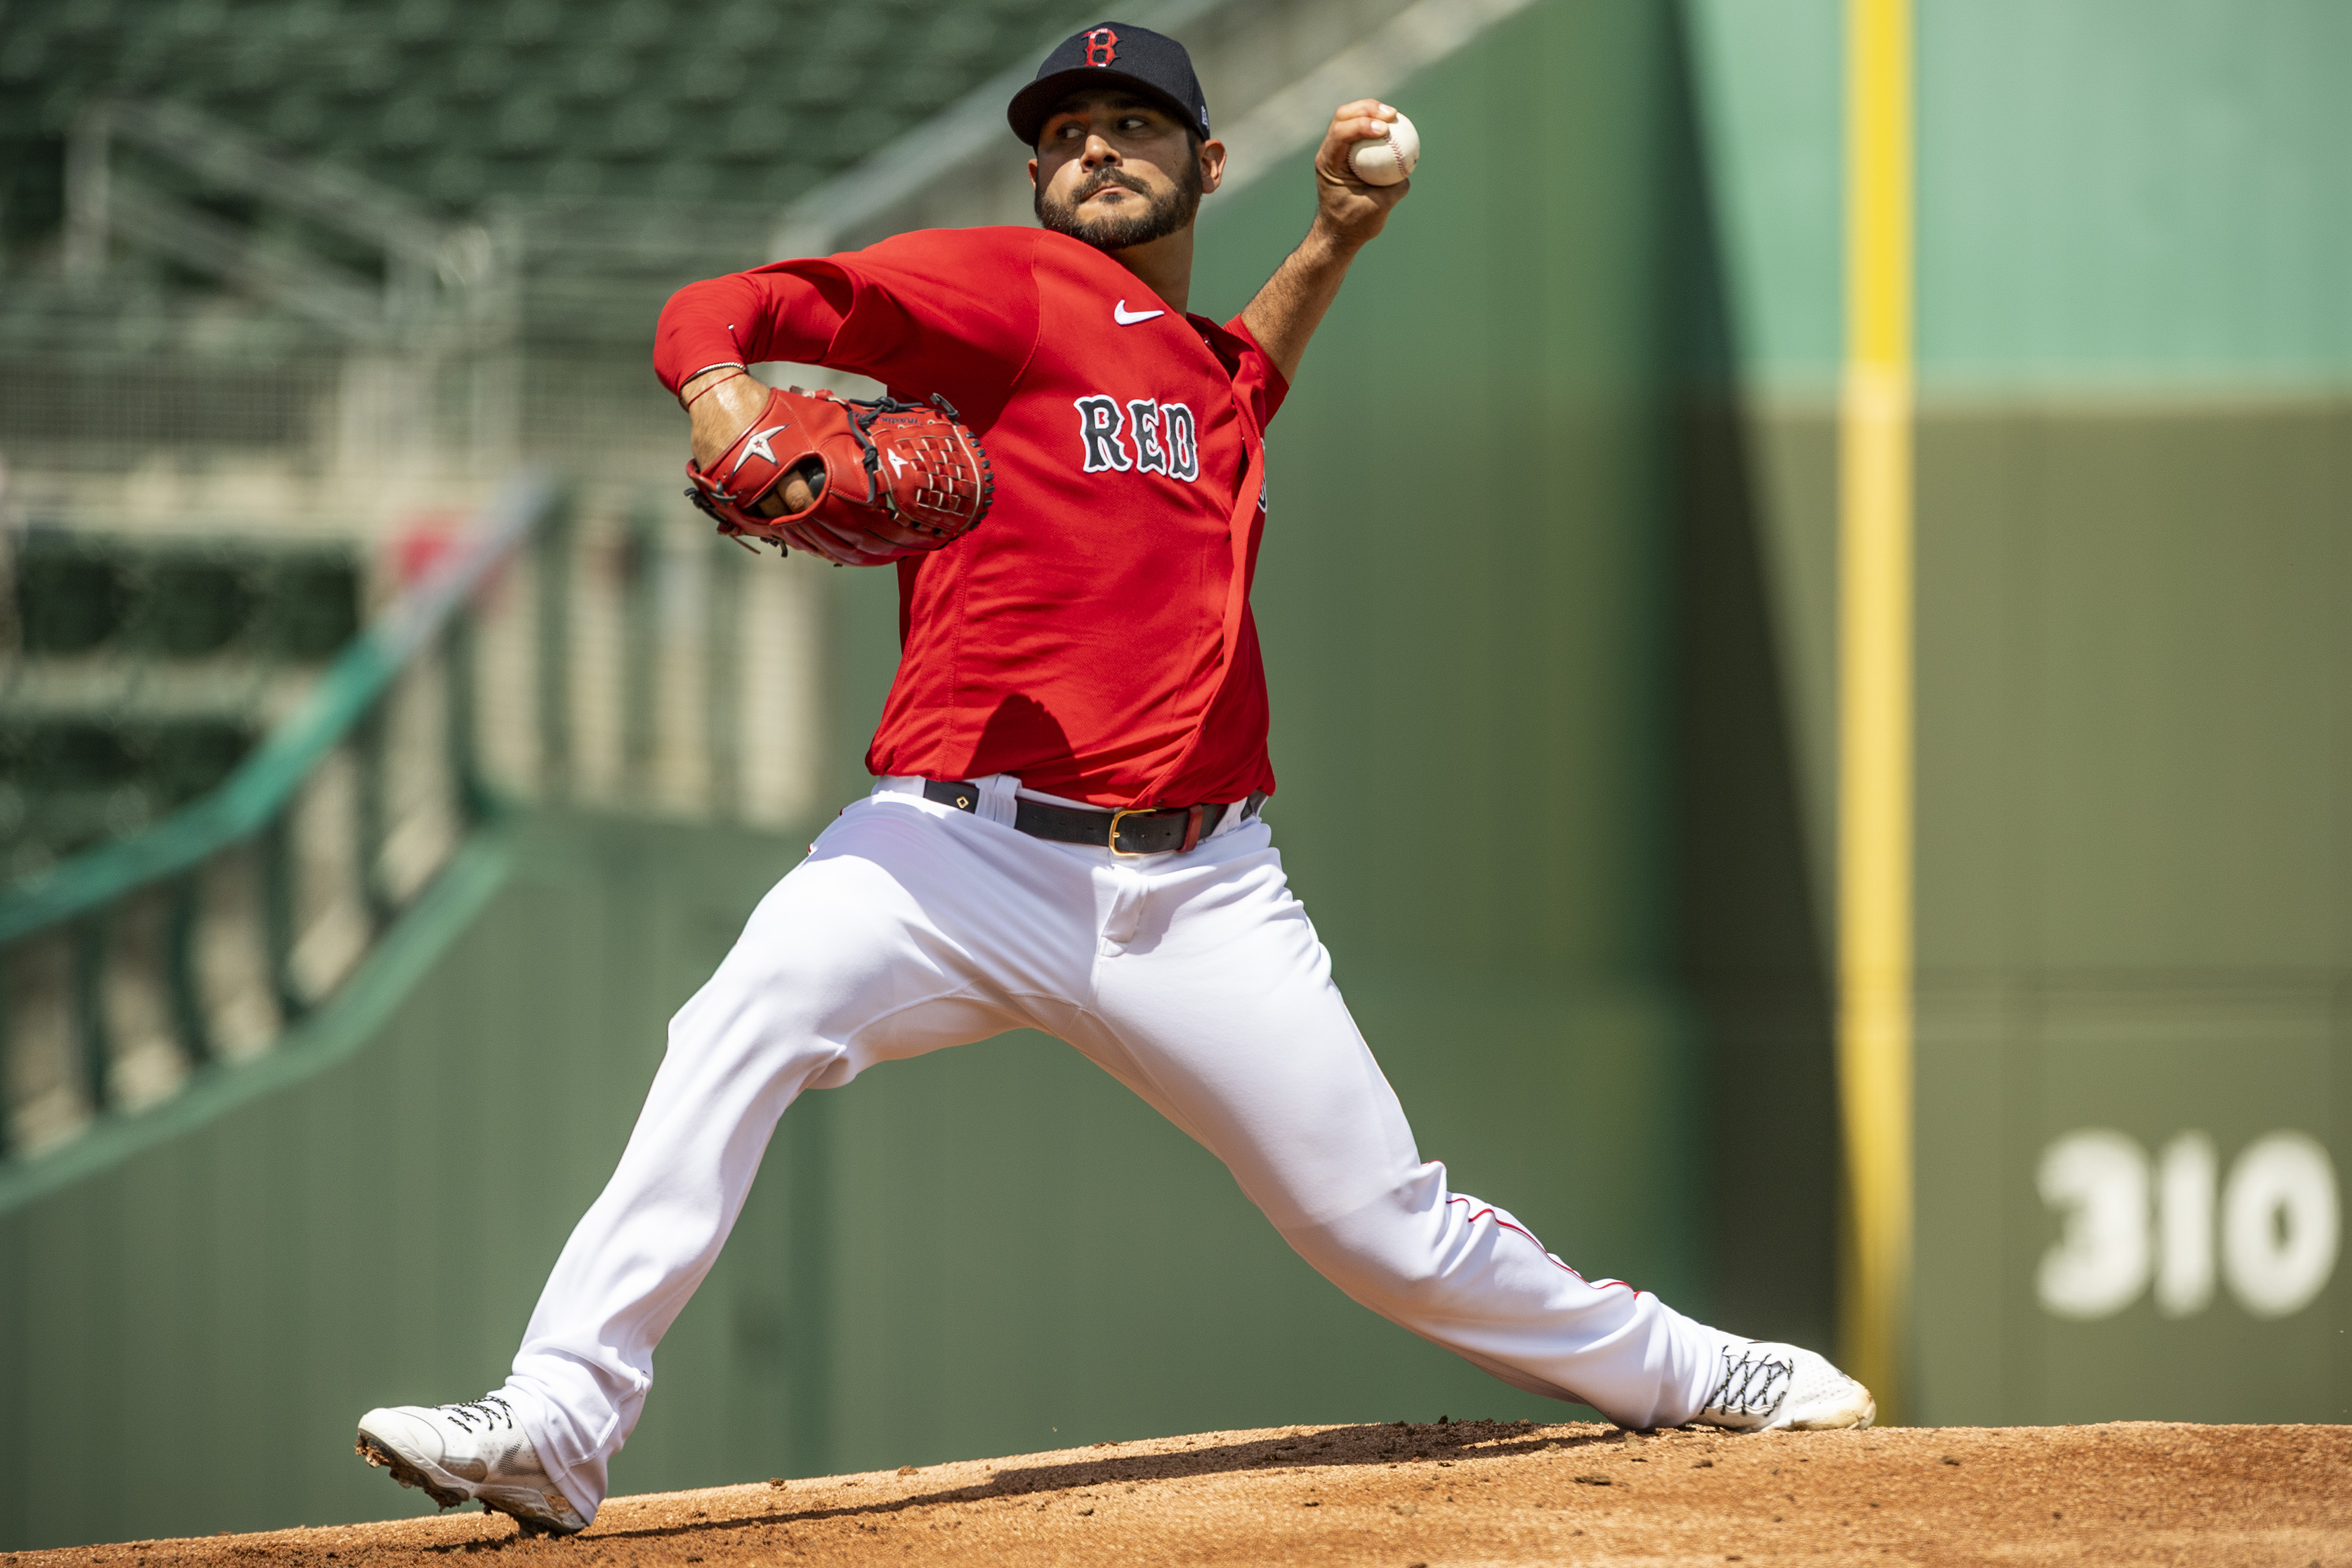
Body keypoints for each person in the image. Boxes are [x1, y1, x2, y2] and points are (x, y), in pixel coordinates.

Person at [354, 21, 1872, 1537]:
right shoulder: (1010, 295)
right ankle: (562, 1409)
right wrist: (717, 387)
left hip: (1205, 889)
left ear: (1208, 164)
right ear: (1035, 173)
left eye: (1134, 121)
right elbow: (738, 300)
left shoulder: (1202, 376)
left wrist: (1337, 239)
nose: (1096, 143)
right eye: (1068, 127)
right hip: (952, 854)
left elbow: (1232, 385)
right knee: (738, 1020)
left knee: (1382, 1236)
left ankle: (1687, 1370)